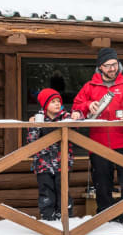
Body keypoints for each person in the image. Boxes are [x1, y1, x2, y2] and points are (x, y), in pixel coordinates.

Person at [72, 47, 123, 232]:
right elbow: (77, 108)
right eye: (108, 65)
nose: (112, 68)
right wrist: (88, 105)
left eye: (114, 64)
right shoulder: (89, 87)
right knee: (102, 184)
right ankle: (106, 218)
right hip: (97, 142)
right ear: (100, 67)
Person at [27, 88, 82, 221]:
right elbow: (31, 141)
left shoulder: (65, 117)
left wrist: (77, 115)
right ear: (45, 104)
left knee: (63, 192)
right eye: (53, 101)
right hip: (42, 164)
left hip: (62, 163)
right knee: (46, 193)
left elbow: (77, 125)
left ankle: (65, 220)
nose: (57, 104)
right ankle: (48, 220)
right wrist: (34, 125)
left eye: (58, 101)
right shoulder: (38, 118)